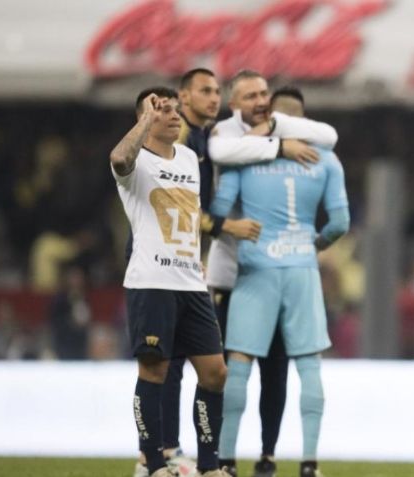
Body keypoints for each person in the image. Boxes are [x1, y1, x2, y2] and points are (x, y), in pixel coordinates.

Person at [211, 75, 348, 477]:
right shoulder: (326, 159)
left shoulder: (245, 156)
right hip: (302, 267)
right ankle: (308, 463)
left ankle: (226, 461)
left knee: (237, 366)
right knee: (308, 365)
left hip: (255, 269)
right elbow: (340, 222)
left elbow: (220, 212)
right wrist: (313, 245)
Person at [132, 68, 261, 477]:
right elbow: (180, 207)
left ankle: (183, 456)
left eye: (218, 90)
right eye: (205, 91)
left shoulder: (198, 144)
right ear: (183, 98)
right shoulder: (180, 135)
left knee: (197, 366)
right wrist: (225, 228)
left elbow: (189, 210)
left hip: (187, 265)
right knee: (164, 365)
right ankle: (159, 454)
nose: (215, 98)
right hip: (156, 265)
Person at [110, 87, 229, 477]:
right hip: (152, 282)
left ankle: (210, 466)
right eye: (163, 110)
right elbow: (118, 158)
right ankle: (154, 463)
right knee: (155, 372)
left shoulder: (190, 159)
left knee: (215, 372)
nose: (175, 115)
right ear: (144, 116)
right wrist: (145, 119)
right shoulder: (134, 162)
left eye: (176, 109)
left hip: (191, 283)